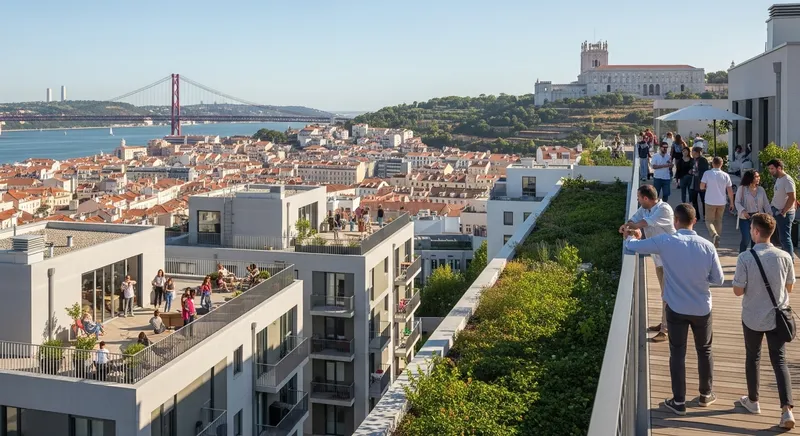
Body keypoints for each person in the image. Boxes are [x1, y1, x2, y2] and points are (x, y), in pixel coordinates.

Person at [623, 203, 724, 416]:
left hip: (676, 308)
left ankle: (679, 402)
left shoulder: (666, 241)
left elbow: (632, 247)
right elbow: (718, 279)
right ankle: (706, 394)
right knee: (704, 351)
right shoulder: (707, 245)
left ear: (675, 221)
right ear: (694, 221)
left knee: (677, 353)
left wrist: (633, 235)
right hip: (702, 308)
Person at [732, 213, 795, 428]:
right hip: (778, 317)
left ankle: (753, 401)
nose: (750, 231)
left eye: (751, 228)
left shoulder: (745, 257)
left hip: (752, 316)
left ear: (757, 232)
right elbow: (790, 287)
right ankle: (787, 411)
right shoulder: (785, 256)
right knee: (779, 361)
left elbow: (738, 291)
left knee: (753, 357)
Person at [619, 185, 676, 342]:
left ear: (645, 198)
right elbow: (634, 219)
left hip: (670, 259)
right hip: (659, 259)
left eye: (638, 197)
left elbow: (643, 223)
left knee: (668, 295)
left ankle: (666, 330)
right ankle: (665, 323)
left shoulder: (664, 209)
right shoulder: (645, 209)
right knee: (665, 294)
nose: (637, 200)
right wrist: (627, 226)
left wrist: (631, 228)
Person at [700, 156, 735, 248]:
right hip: (721, 201)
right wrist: (731, 202)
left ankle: (714, 235)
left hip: (709, 200)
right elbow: (730, 191)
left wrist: (706, 187)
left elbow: (701, 187)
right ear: (721, 164)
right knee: (719, 221)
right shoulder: (725, 175)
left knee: (709, 220)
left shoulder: (707, 173)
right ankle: (717, 239)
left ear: (712, 164)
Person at [734, 170, 771, 253]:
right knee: (746, 239)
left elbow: (766, 204)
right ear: (750, 178)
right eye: (756, 177)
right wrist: (743, 211)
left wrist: (770, 215)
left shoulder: (761, 189)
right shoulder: (742, 188)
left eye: (758, 176)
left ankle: (754, 258)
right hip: (745, 217)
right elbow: (737, 202)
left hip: (758, 217)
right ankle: (742, 256)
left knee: (756, 240)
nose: (758, 178)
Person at [767, 159, 797, 258]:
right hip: (776, 210)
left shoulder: (787, 180)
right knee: (781, 238)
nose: (770, 171)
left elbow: (792, 197)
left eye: (772, 169)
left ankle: (790, 260)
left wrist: (784, 211)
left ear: (779, 168)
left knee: (785, 238)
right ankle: (785, 258)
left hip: (784, 213)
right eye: (769, 169)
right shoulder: (779, 178)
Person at [690, 147, 709, 222]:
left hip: (701, 182)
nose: (692, 153)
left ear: (697, 152)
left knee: (703, 200)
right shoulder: (693, 160)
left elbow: (704, 171)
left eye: (693, 152)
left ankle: (705, 215)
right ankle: (696, 216)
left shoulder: (703, 160)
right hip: (694, 182)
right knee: (694, 200)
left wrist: (696, 172)